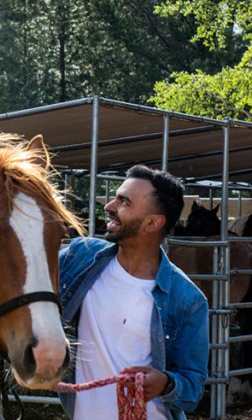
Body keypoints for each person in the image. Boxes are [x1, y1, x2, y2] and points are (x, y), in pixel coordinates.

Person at [57, 165, 208, 420]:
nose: (109, 206)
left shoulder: (188, 300)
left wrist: (165, 383)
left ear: (152, 222)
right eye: (116, 197)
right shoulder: (79, 256)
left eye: (124, 202)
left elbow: (192, 391)